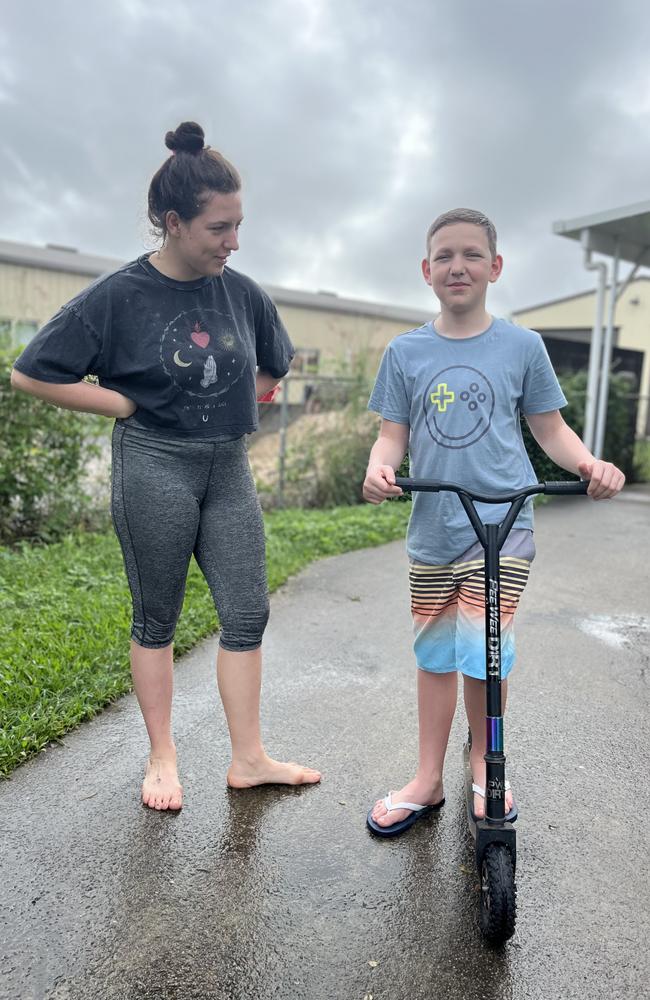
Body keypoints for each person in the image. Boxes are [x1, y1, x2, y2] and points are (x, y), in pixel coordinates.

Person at [11, 121, 320, 811]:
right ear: (174, 223)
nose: (234, 241)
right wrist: (120, 401)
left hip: (228, 469)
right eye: (220, 227)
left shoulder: (242, 292)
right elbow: (30, 374)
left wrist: (242, 399)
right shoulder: (118, 296)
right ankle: (162, 757)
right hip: (154, 463)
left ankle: (248, 758)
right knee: (158, 618)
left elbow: (277, 361)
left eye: (239, 225)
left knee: (247, 611)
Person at [363, 207, 624, 836]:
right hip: (433, 528)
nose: (459, 266)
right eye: (445, 256)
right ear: (428, 271)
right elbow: (390, 437)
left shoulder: (521, 346)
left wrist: (591, 464)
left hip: (504, 526)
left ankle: (485, 767)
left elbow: (549, 429)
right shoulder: (405, 353)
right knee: (435, 654)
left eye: (472, 255)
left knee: (483, 647)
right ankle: (427, 779)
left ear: (495, 267)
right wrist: (379, 469)